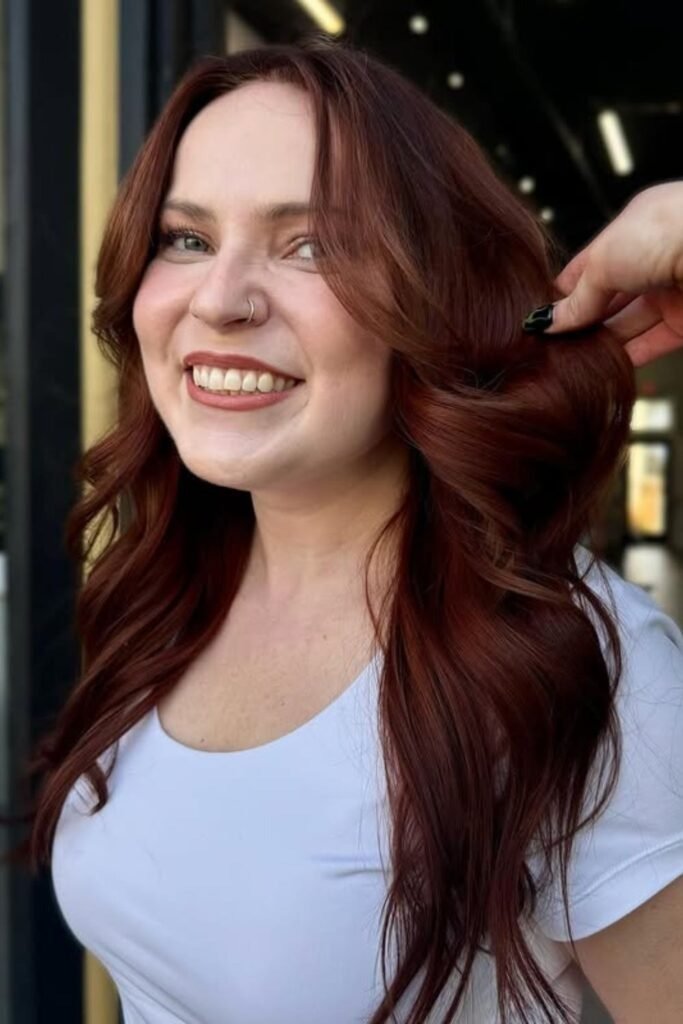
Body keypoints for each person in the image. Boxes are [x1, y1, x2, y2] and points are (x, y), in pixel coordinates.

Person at [3, 36, 683, 1024]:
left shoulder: (578, 665)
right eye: (185, 238)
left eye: (312, 245)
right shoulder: (169, 587)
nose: (219, 300)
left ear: (435, 302)